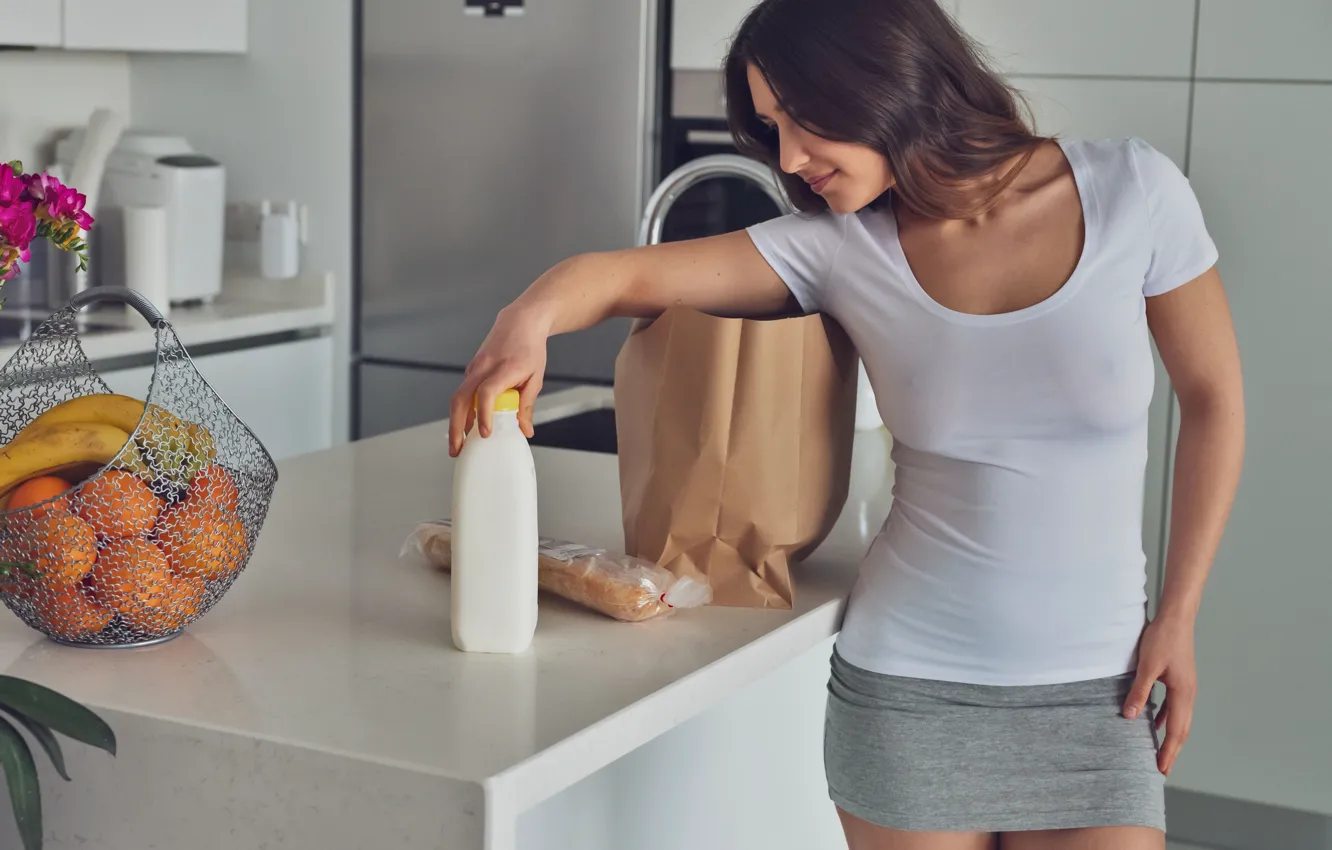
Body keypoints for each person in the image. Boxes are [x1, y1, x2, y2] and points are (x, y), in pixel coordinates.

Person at [448, 0, 1246, 846]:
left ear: (883, 79)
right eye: (770, 128)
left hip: (1101, 686)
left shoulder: (1135, 191)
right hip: (909, 690)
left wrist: (1180, 616)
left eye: (801, 119)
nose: (789, 157)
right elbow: (616, 278)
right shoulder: (838, 246)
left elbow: (1215, 401)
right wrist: (525, 318)